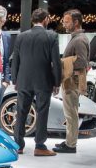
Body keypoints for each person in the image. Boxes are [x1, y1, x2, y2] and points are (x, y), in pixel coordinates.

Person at [11, 9, 61, 156]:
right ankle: (39, 146)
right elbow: (56, 62)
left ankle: (18, 145)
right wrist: (57, 81)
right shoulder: (51, 36)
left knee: (21, 112)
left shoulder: (21, 36)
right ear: (45, 19)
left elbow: (15, 60)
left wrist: (15, 79)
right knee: (42, 112)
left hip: (24, 80)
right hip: (43, 80)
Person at [53, 9, 90, 154]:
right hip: (71, 80)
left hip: (72, 81)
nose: (64, 24)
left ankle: (71, 144)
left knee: (71, 113)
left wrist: (62, 62)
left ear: (76, 22)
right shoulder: (76, 38)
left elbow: (81, 62)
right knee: (69, 113)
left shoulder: (80, 39)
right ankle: (70, 140)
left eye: (67, 21)